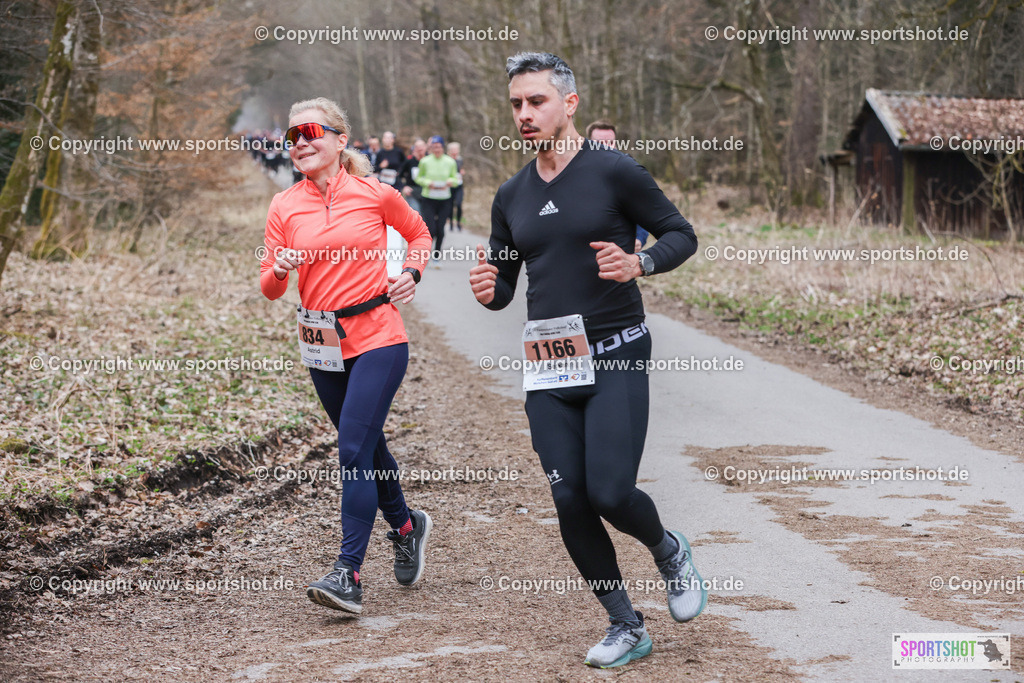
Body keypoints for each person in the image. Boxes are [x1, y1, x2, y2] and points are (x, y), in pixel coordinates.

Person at [468, 53, 704, 669]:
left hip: (617, 354)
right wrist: (489, 288)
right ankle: (625, 624)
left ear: (568, 104)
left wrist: (641, 262)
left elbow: (681, 234)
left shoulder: (614, 172)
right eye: (516, 103)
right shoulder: (510, 194)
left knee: (610, 491)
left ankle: (669, 549)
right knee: (569, 498)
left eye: (536, 101)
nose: (524, 114)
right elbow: (504, 288)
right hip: (549, 368)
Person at [261, 97, 434, 615]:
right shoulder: (284, 206)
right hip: (322, 343)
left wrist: (413, 273)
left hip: (379, 334)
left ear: (340, 139)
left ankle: (348, 573)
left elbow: (420, 235)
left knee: (352, 451)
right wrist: (281, 268)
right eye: (292, 137)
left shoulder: (375, 194)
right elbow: (269, 288)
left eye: (311, 131)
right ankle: (406, 526)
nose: (301, 142)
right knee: (366, 444)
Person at [586, 120, 649, 252]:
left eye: (610, 142)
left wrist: (639, 238)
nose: (606, 146)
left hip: (620, 254)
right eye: (599, 143)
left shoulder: (629, 172)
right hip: (584, 251)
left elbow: (644, 210)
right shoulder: (576, 172)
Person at [415, 135, 461, 256]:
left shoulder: (450, 162)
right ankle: (427, 252)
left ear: (443, 147)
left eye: (439, 147)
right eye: (434, 147)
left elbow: (456, 179)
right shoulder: (425, 161)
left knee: (440, 230)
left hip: (444, 199)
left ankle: (437, 254)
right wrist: (428, 183)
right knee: (431, 229)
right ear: (430, 148)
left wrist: (451, 181)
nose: (436, 149)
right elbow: (418, 178)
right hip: (428, 199)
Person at [398, 138, 427, 215]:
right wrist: (404, 187)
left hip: (427, 192)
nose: (420, 149)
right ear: (414, 149)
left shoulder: (430, 160)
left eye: (422, 147)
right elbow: (399, 176)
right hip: (412, 192)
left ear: (426, 147)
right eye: (418, 147)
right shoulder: (410, 161)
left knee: (427, 218)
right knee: (416, 215)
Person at [447, 141, 465, 231]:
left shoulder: (460, 159)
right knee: (450, 205)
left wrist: (462, 172)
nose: (455, 151)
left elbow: (461, 169)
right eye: (453, 149)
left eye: (457, 149)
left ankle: (458, 222)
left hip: (459, 185)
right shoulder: (447, 160)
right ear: (450, 150)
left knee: (458, 204)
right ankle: (450, 223)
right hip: (450, 186)